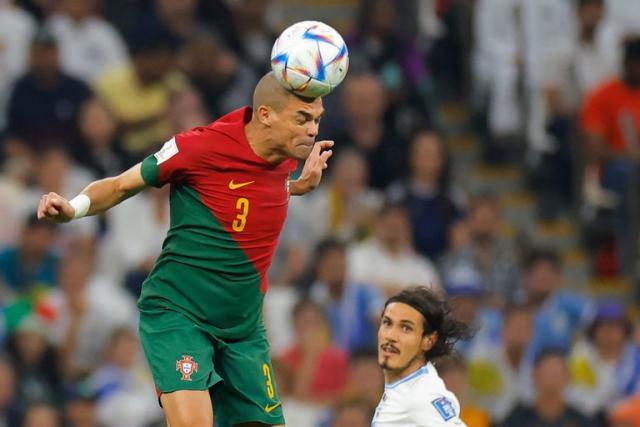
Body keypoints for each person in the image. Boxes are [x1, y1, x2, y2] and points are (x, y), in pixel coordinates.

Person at [37, 71, 334, 427]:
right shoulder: (199, 148)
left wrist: (295, 186)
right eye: (303, 119)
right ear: (266, 114)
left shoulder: (284, 158)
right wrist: (73, 208)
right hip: (180, 315)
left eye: (317, 119)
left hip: (242, 330)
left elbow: (248, 193)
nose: (313, 131)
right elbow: (120, 185)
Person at [372, 286, 471, 426]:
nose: (391, 336)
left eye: (406, 328)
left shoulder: (422, 397)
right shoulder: (404, 388)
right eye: (388, 323)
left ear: (427, 341)